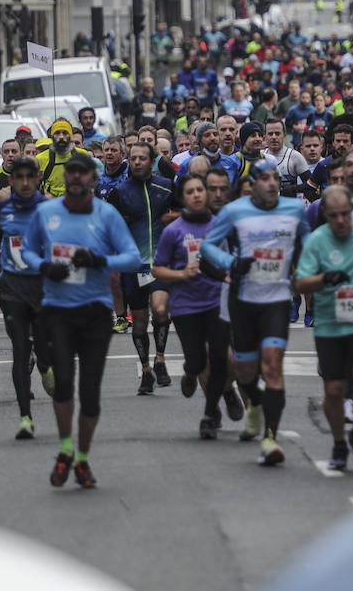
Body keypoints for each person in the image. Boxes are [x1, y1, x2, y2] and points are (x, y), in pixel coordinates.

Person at [21, 153, 142, 488]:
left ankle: (83, 459)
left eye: (82, 172)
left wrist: (98, 259)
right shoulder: (46, 212)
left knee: (89, 393)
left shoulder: (107, 215)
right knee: (62, 383)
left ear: (93, 178)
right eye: (70, 171)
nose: (75, 177)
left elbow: (132, 258)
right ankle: (64, 450)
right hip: (57, 310)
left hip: (95, 312)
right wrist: (45, 267)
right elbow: (27, 251)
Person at [202, 161, 311, 466]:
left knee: (273, 367)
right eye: (265, 178)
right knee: (246, 372)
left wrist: (313, 266)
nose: (273, 183)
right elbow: (208, 246)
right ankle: (255, 406)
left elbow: (310, 241)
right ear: (252, 184)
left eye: (276, 177)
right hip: (244, 299)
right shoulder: (234, 211)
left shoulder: (294, 210)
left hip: (277, 299)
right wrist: (231, 262)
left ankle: (270, 439)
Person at [295, 186, 353, 471]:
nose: (341, 221)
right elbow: (300, 283)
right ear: (325, 216)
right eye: (334, 216)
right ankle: (340, 442)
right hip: (331, 324)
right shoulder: (318, 240)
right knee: (333, 390)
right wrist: (323, 279)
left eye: (345, 214)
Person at [152, 174, 229, 438]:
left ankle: (209, 414)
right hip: (186, 304)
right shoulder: (173, 231)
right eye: (190, 191)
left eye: (200, 190)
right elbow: (158, 269)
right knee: (197, 360)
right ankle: (190, 371)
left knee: (219, 359)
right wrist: (182, 275)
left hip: (217, 300)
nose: (196, 195)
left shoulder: (220, 226)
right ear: (182, 198)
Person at [0, 156, 54, 439]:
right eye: (19, 177)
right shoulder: (2, 209)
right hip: (11, 287)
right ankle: (25, 417)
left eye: (29, 177)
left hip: (43, 288)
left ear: (37, 179)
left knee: (44, 349)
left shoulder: (49, 209)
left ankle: (46, 364)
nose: (24, 182)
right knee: (20, 351)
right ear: (11, 181)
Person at [106, 142, 179, 394]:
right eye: (133, 158)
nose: (137, 162)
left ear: (151, 162)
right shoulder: (119, 192)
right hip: (133, 265)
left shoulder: (166, 187)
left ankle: (160, 358)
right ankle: (146, 370)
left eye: (142, 158)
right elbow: (109, 228)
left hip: (160, 263)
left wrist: (175, 218)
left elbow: (184, 214)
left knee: (160, 310)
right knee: (138, 322)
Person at [38, 119, 94, 197]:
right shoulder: (40, 159)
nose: (61, 137)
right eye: (57, 133)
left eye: (65, 133)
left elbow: (91, 182)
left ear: (71, 136)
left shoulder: (82, 155)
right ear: (51, 136)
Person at [263, 118, 311, 198]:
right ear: (265, 137)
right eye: (270, 134)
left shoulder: (295, 156)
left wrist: (292, 189)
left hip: (288, 207)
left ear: (284, 136)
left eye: (277, 133)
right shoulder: (260, 156)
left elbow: (310, 184)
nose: (274, 137)